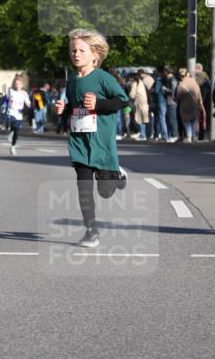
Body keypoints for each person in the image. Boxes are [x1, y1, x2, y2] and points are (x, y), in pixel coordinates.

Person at [54, 29, 128, 248]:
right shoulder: (72, 80)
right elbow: (74, 107)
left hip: (102, 142)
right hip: (79, 141)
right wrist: (63, 110)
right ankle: (91, 230)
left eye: (81, 50)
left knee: (105, 192)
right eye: (73, 50)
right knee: (83, 186)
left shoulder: (103, 78)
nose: (76, 54)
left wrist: (99, 105)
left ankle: (116, 172)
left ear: (94, 54)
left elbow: (123, 101)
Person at [175, 68, 204, 143]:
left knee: (186, 121)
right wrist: (200, 102)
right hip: (194, 104)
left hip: (184, 105)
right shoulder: (194, 82)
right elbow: (199, 93)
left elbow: (178, 96)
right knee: (194, 120)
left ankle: (189, 136)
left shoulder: (181, 84)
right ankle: (194, 136)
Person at [7, 76, 31, 156]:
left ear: (22, 85)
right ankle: (10, 131)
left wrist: (29, 107)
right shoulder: (11, 92)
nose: (17, 85)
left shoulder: (24, 93)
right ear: (14, 84)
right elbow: (6, 99)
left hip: (19, 114)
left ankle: (13, 146)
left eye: (19, 84)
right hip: (11, 112)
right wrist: (5, 104)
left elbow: (28, 103)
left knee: (17, 131)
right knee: (11, 123)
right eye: (16, 84)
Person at [128, 71, 150, 140]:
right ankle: (146, 135)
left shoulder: (135, 84)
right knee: (145, 120)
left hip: (139, 104)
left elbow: (131, 95)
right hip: (145, 103)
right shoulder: (142, 83)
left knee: (139, 119)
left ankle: (142, 135)